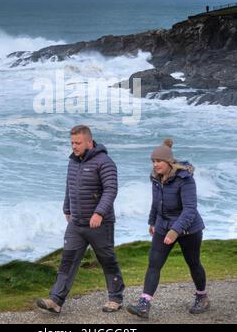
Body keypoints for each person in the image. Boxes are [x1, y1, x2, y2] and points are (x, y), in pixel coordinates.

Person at [37, 125, 125, 314]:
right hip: (76, 223)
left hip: (100, 223)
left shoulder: (105, 162)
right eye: (72, 143)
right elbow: (70, 186)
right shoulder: (73, 162)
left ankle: (116, 298)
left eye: (78, 143)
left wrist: (99, 213)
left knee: (107, 260)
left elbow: (111, 190)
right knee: (67, 261)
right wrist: (67, 208)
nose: (74, 146)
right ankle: (55, 301)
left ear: (89, 142)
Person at [127, 138, 209, 320]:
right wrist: (151, 222)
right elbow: (156, 203)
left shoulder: (185, 179)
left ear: (169, 162)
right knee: (154, 263)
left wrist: (175, 231)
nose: (155, 165)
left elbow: (190, 209)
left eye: (158, 161)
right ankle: (144, 304)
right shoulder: (156, 178)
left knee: (193, 263)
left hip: (189, 229)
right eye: (153, 161)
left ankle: (202, 297)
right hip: (163, 225)